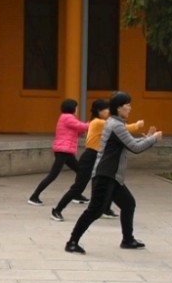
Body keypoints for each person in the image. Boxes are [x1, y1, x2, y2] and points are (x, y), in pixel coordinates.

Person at [65, 91, 162, 254]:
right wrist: (153, 139)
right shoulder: (116, 125)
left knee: (128, 204)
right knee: (95, 210)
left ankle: (128, 239)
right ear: (119, 108)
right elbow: (135, 147)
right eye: (127, 105)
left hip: (113, 176)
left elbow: (129, 142)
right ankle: (72, 242)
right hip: (105, 175)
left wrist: (148, 138)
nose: (130, 108)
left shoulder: (115, 123)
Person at [50, 99, 143, 222]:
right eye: (106, 109)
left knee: (109, 182)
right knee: (78, 187)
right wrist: (137, 125)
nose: (109, 111)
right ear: (99, 111)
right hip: (90, 157)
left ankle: (106, 209)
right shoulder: (98, 122)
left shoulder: (102, 122)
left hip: (99, 157)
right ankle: (57, 210)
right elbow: (123, 128)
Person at [28, 99, 89, 206]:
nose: (77, 109)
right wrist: (94, 123)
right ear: (72, 108)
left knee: (81, 171)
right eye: (76, 107)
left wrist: (84, 128)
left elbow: (78, 131)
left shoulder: (68, 118)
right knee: (53, 175)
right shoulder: (67, 117)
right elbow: (82, 126)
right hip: (63, 151)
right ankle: (34, 196)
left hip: (66, 151)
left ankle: (76, 194)